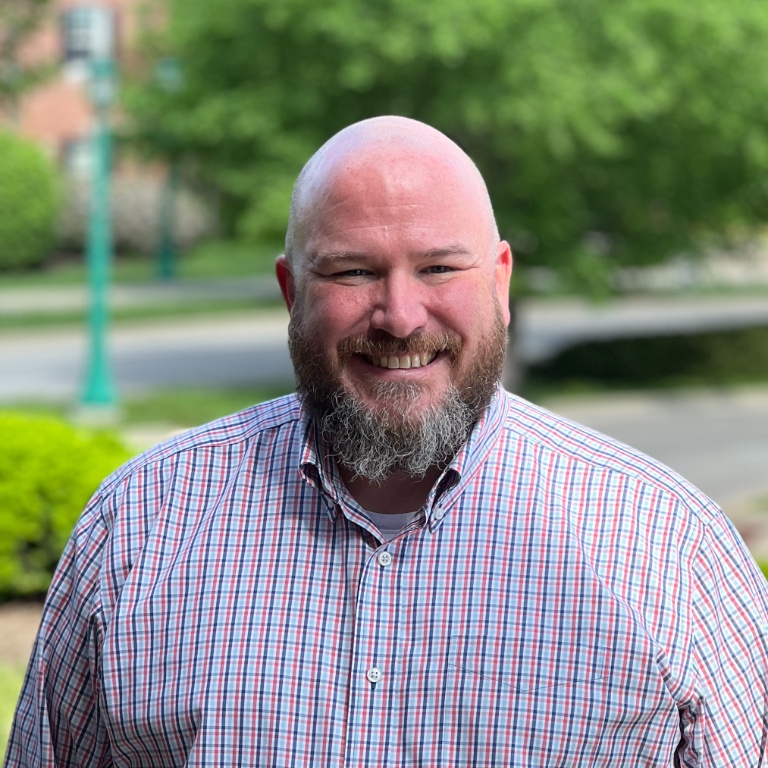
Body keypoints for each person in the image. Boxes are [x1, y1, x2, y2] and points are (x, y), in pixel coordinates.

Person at [5, 116, 768, 768]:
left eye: (439, 267)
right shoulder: (139, 525)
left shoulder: (671, 547)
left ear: (499, 280)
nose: (400, 316)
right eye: (353, 271)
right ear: (290, 291)